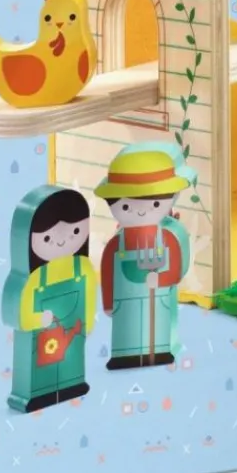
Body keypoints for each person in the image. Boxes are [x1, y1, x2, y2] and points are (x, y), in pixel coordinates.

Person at [98, 143, 193, 369]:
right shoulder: (116, 244)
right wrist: (109, 303)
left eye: (155, 204)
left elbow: (176, 270)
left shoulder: (167, 237)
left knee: (156, 333)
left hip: (158, 300)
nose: (141, 211)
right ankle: (124, 356)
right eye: (126, 206)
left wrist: (161, 279)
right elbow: (108, 272)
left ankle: (159, 351)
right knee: (127, 335)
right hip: (125, 304)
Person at [2, 186, 97, 413]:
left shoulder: (82, 266)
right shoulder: (32, 278)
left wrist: (87, 322)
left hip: (73, 332)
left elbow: (90, 292)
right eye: (47, 237)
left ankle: (72, 384)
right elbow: (13, 314)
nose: (62, 242)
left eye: (74, 232)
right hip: (40, 338)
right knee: (38, 368)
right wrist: (36, 320)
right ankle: (33, 394)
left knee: (72, 362)